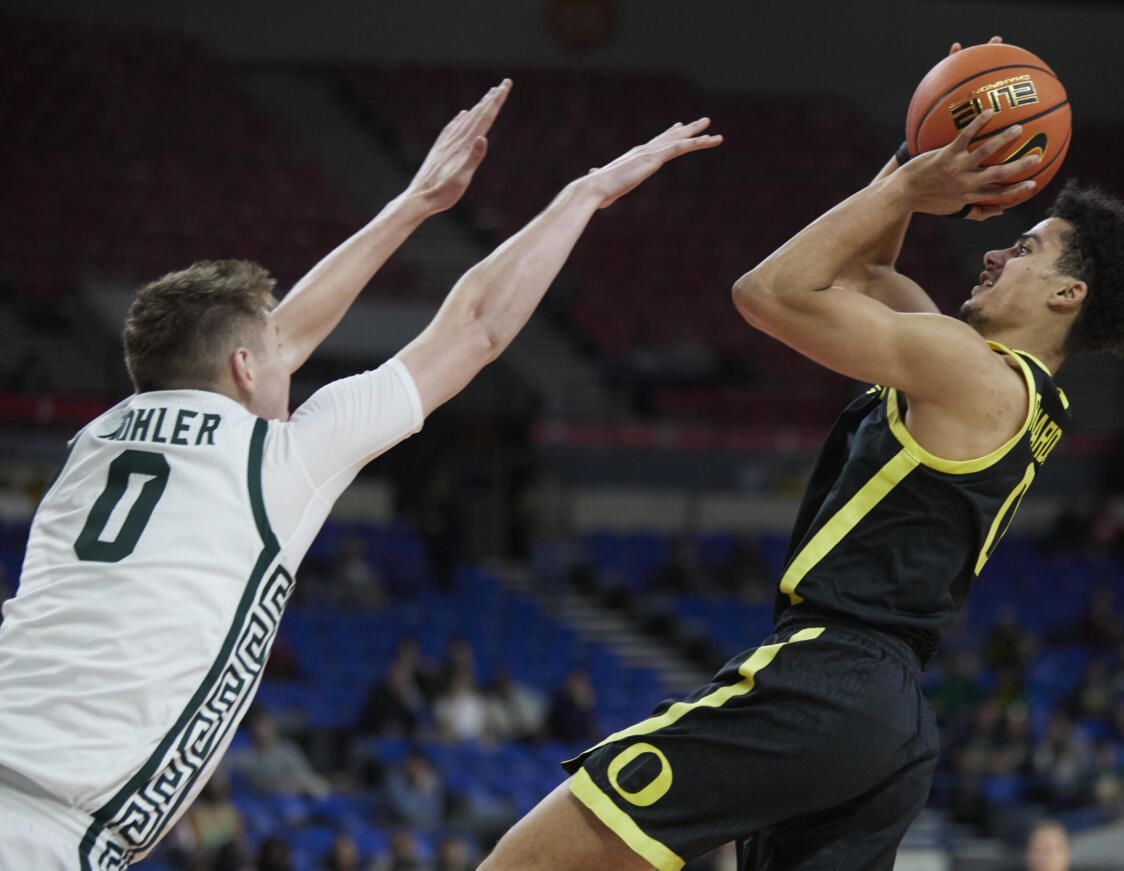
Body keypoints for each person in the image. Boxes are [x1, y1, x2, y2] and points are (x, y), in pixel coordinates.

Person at [479, 38, 1124, 871]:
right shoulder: (988, 380)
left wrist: (915, 184)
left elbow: (769, 292)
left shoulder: (968, 370)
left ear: (1070, 295)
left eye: (1026, 247)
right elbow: (867, 265)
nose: (996, 249)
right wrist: (914, 155)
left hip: (831, 674)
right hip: (888, 723)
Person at [0, 77, 722, 868]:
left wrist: (414, 204)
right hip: (48, 830)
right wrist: (583, 196)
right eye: (272, 353)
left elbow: (277, 337)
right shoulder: (273, 460)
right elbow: (475, 327)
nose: (290, 355)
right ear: (244, 365)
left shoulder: (91, 445)